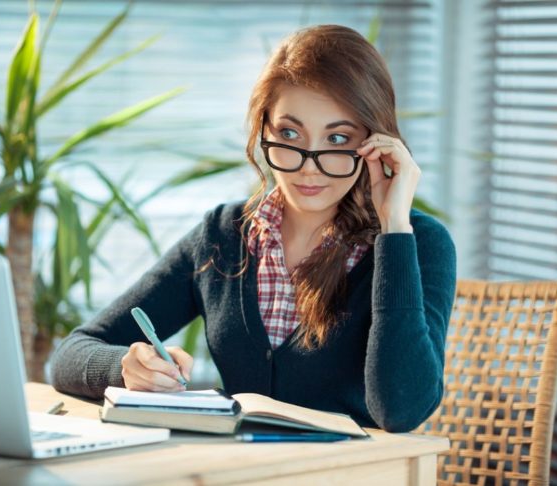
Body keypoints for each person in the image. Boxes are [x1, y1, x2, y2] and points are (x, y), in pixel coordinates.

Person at [51, 24, 456, 433]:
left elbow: (400, 410)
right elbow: (71, 354)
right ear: (263, 131)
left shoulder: (416, 243)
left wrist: (394, 231)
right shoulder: (223, 236)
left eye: (337, 139)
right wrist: (128, 369)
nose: (309, 165)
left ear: (374, 142)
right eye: (290, 134)